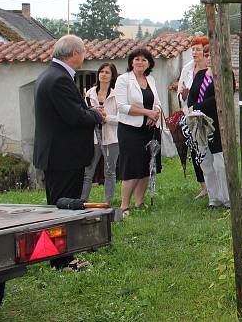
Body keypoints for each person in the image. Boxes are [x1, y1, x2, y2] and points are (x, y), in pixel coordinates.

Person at [33, 35, 104, 269]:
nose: (85, 56)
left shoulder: (51, 75)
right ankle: (63, 260)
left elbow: (69, 111)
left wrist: (88, 111)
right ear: (74, 53)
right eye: (83, 52)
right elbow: (74, 117)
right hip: (63, 156)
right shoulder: (59, 79)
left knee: (58, 206)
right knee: (63, 208)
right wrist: (96, 115)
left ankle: (58, 255)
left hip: (57, 154)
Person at [115, 47, 163, 216]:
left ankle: (139, 202)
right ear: (131, 62)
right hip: (130, 130)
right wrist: (146, 112)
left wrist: (155, 113)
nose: (140, 62)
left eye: (144, 60)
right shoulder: (123, 80)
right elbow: (122, 107)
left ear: (149, 63)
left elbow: (157, 101)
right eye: (137, 59)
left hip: (150, 128)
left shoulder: (151, 79)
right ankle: (124, 206)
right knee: (131, 167)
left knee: (146, 166)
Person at [188, 42, 230, 209]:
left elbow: (219, 98)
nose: (211, 58)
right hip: (199, 124)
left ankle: (227, 198)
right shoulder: (200, 74)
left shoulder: (225, 75)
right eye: (208, 55)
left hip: (217, 123)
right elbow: (192, 95)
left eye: (214, 55)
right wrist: (192, 109)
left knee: (220, 163)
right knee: (206, 162)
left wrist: (197, 107)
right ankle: (214, 199)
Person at [82, 62, 120, 204]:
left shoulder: (117, 95)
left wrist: (106, 118)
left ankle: (107, 203)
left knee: (109, 171)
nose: (103, 74)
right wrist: (94, 116)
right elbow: (84, 113)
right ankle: (83, 201)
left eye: (107, 72)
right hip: (93, 137)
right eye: (101, 71)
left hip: (112, 137)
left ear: (112, 76)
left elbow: (122, 118)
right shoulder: (90, 93)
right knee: (88, 172)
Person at [178, 37, 208, 199]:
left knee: (209, 151)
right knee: (196, 151)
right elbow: (181, 93)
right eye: (193, 50)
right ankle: (203, 186)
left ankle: (214, 184)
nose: (195, 53)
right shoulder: (187, 68)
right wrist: (183, 94)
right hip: (190, 115)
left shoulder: (210, 68)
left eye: (198, 49)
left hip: (207, 114)